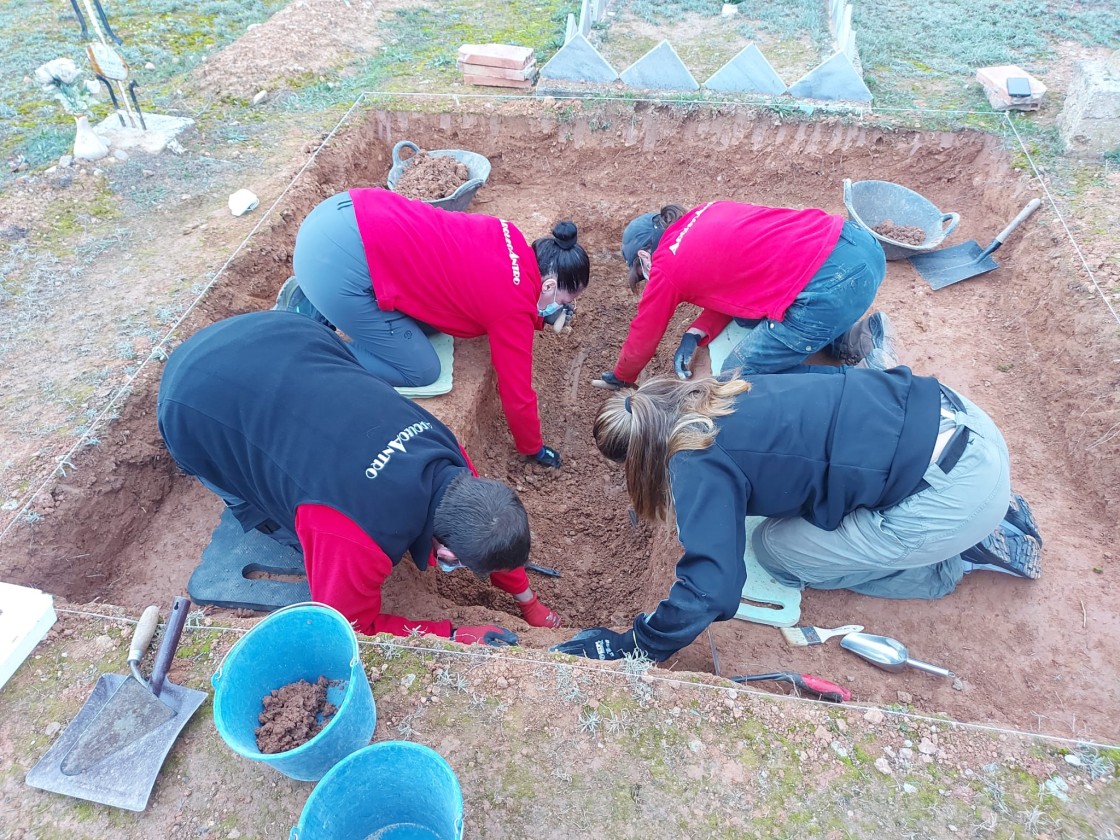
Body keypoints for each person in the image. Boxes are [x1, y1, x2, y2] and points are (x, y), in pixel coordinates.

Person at [554, 368, 1043, 662]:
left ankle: (955, 561)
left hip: (950, 495)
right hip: (962, 422)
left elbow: (713, 587)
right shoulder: (727, 389)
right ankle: (985, 514)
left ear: (640, 457)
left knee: (774, 548)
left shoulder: (695, 459)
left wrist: (640, 644)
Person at [157, 311, 563, 645]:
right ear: (447, 555)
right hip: (191, 400)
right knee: (277, 521)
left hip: (278, 332)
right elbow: (348, 628)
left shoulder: (447, 454)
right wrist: (453, 633)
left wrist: (530, 602)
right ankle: (258, 505)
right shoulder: (351, 537)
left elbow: (491, 534)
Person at [278, 187, 592, 469]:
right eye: (566, 300)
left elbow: (506, 289)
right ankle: (312, 342)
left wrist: (539, 314)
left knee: (429, 325)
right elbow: (517, 393)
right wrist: (533, 448)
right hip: (334, 267)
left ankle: (317, 300)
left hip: (343, 213)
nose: (566, 308)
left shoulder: (506, 233)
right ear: (548, 285)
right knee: (421, 369)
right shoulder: (512, 307)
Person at [593, 201, 894, 391]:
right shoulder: (705, 211)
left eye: (640, 272)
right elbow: (737, 286)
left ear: (644, 258)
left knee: (734, 376)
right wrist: (696, 332)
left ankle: (860, 384)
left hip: (830, 286)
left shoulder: (664, 266)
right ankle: (860, 337)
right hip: (857, 244)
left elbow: (644, 335)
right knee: (769, 318)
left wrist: (623, 376)